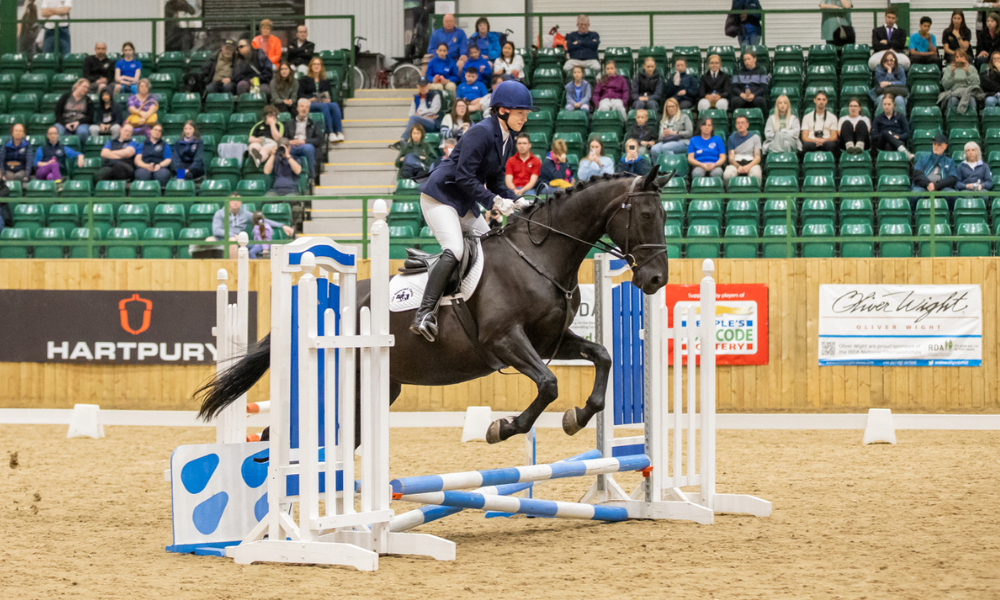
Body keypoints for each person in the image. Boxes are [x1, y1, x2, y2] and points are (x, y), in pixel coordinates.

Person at [413, 80, 533, 341]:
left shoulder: (506, 139)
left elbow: (498, 181)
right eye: (520, 112)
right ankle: (424, 313)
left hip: (464, 201)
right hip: (441, 196)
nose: (524, 117)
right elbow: (464, 177)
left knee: (491, 247)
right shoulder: (481, 132)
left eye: (526, 113)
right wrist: (494, 202)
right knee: (455, 249)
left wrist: (516, 199)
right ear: (502, 110)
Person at [209, 196, 292, 249]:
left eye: (238, 200)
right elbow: (216, 231)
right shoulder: (219, 213)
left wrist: (282, 226)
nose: (235, 203)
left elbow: (262, 220)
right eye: (233, 200)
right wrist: (232, 234)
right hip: (221, 238)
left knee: (232, 241)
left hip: (236, 240)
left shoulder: (245, 214)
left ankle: (232, 268)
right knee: (209, 240)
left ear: (240, 202)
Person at [299, 57, 344, 142]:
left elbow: (330, 95)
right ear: (311, 66)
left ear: (321, 67)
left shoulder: (325, 81)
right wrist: (309, 99)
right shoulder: (305, 79)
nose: (316, 66)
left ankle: (339, 132)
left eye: (318, 64)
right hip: (309, 103)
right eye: (314, 64)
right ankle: (330, 132)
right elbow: (300, 94)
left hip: (322, 103)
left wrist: (328, 99)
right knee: (325, 106)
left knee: (334, 105)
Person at [394, 77, 441, 148]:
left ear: (428, 85)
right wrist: (421, 116)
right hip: (418, 122)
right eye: (421, 86)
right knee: (412, 120)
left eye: (424, 86)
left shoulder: (435, 95)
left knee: (413, 119)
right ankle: (406, 145)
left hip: (431, 123)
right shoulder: (416, 98)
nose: (423, 88)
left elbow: (434, 110)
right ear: (418, 86)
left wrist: (420, 115)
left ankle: (404, 140)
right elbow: (411, 113)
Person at [912, 132, 957, 199]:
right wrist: (928, 183)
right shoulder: (923, 158)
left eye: (939, 145)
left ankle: (950, 210)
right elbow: (917, 174)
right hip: (924, 187)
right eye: (934, 144)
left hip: (942, 188)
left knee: (952, 194)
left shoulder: (950, 162)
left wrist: (936, 185)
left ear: (945, 146)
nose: (936, 147)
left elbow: (952, 178)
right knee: (915, 194)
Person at [288, 99, 324, 178]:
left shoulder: (314, 123)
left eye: (306, 107)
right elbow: (284, 138)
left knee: (309, 148)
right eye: (302, 106)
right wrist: (290, 142)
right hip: (292, 146)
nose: (304, 109)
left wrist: (304, 141)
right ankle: (290, 178)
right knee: (284, 150)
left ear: (308, 110)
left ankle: (312, 177)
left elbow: (319, 140)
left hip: (305, 145)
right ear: (297, 108)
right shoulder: (289, 123)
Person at [871, 94, 914, 158]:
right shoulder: (878, 118)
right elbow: (874, 135)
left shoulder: (900, 117)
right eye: (884, 104)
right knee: (885, 132)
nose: (886, 106)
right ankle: (904, 152)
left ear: (893, 104)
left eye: (889, 104)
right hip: (882, 143)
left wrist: (898, 137)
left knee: (888, 145)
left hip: (898, 141)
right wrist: (888, 136)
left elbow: (907, 133)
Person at [723, 115, 762, 185]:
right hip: (736, 163)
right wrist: (738, 166)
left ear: (747, 125)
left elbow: (757, 157)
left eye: (742, 123)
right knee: (727, 175)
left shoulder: (755, 137)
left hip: (751, 163)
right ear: (735, 125)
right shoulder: (731, 138)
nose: (740, 125)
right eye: (738, 123)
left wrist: (748, 166)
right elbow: (731, 158)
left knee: (756, 175)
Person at [941, 49, 981, 114]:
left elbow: (976, 84)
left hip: (968, 93)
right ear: (954, 59)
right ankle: (952, 121)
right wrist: (952, 73)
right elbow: (945, 85)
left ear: (965, 58)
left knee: (972, 100)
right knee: (953, 100)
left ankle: (972, 121)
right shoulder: (949, 68)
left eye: (961, 56)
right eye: (957, 57)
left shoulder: (971, 68)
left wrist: (968, 73)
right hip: (953, 92)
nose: (959, 59)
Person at [54, 78, 92, 145]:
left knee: (83, 132)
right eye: (84, 87)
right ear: (77, 86)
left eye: (87, 88)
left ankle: (81, 151)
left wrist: (78, 122)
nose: (85, 89)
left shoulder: (88, 100)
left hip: (80, 123)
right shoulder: (66, 97)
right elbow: (58, 113)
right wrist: (65, 124)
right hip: (65, 121)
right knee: (57, 130)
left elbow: (90, 117)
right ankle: (58, 150)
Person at [134, 123, 173, 188]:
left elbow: (168, 159)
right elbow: (137, 160)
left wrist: (159, 165)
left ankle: (162, 195)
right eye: (155, 130)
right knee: (141, 174)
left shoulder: (165, 145)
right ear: (151, 131)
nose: (157, 132)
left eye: (159, 131)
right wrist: (146, 166)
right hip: (145, 167)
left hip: (160, 167)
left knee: (162, 175)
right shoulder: (142, 144)